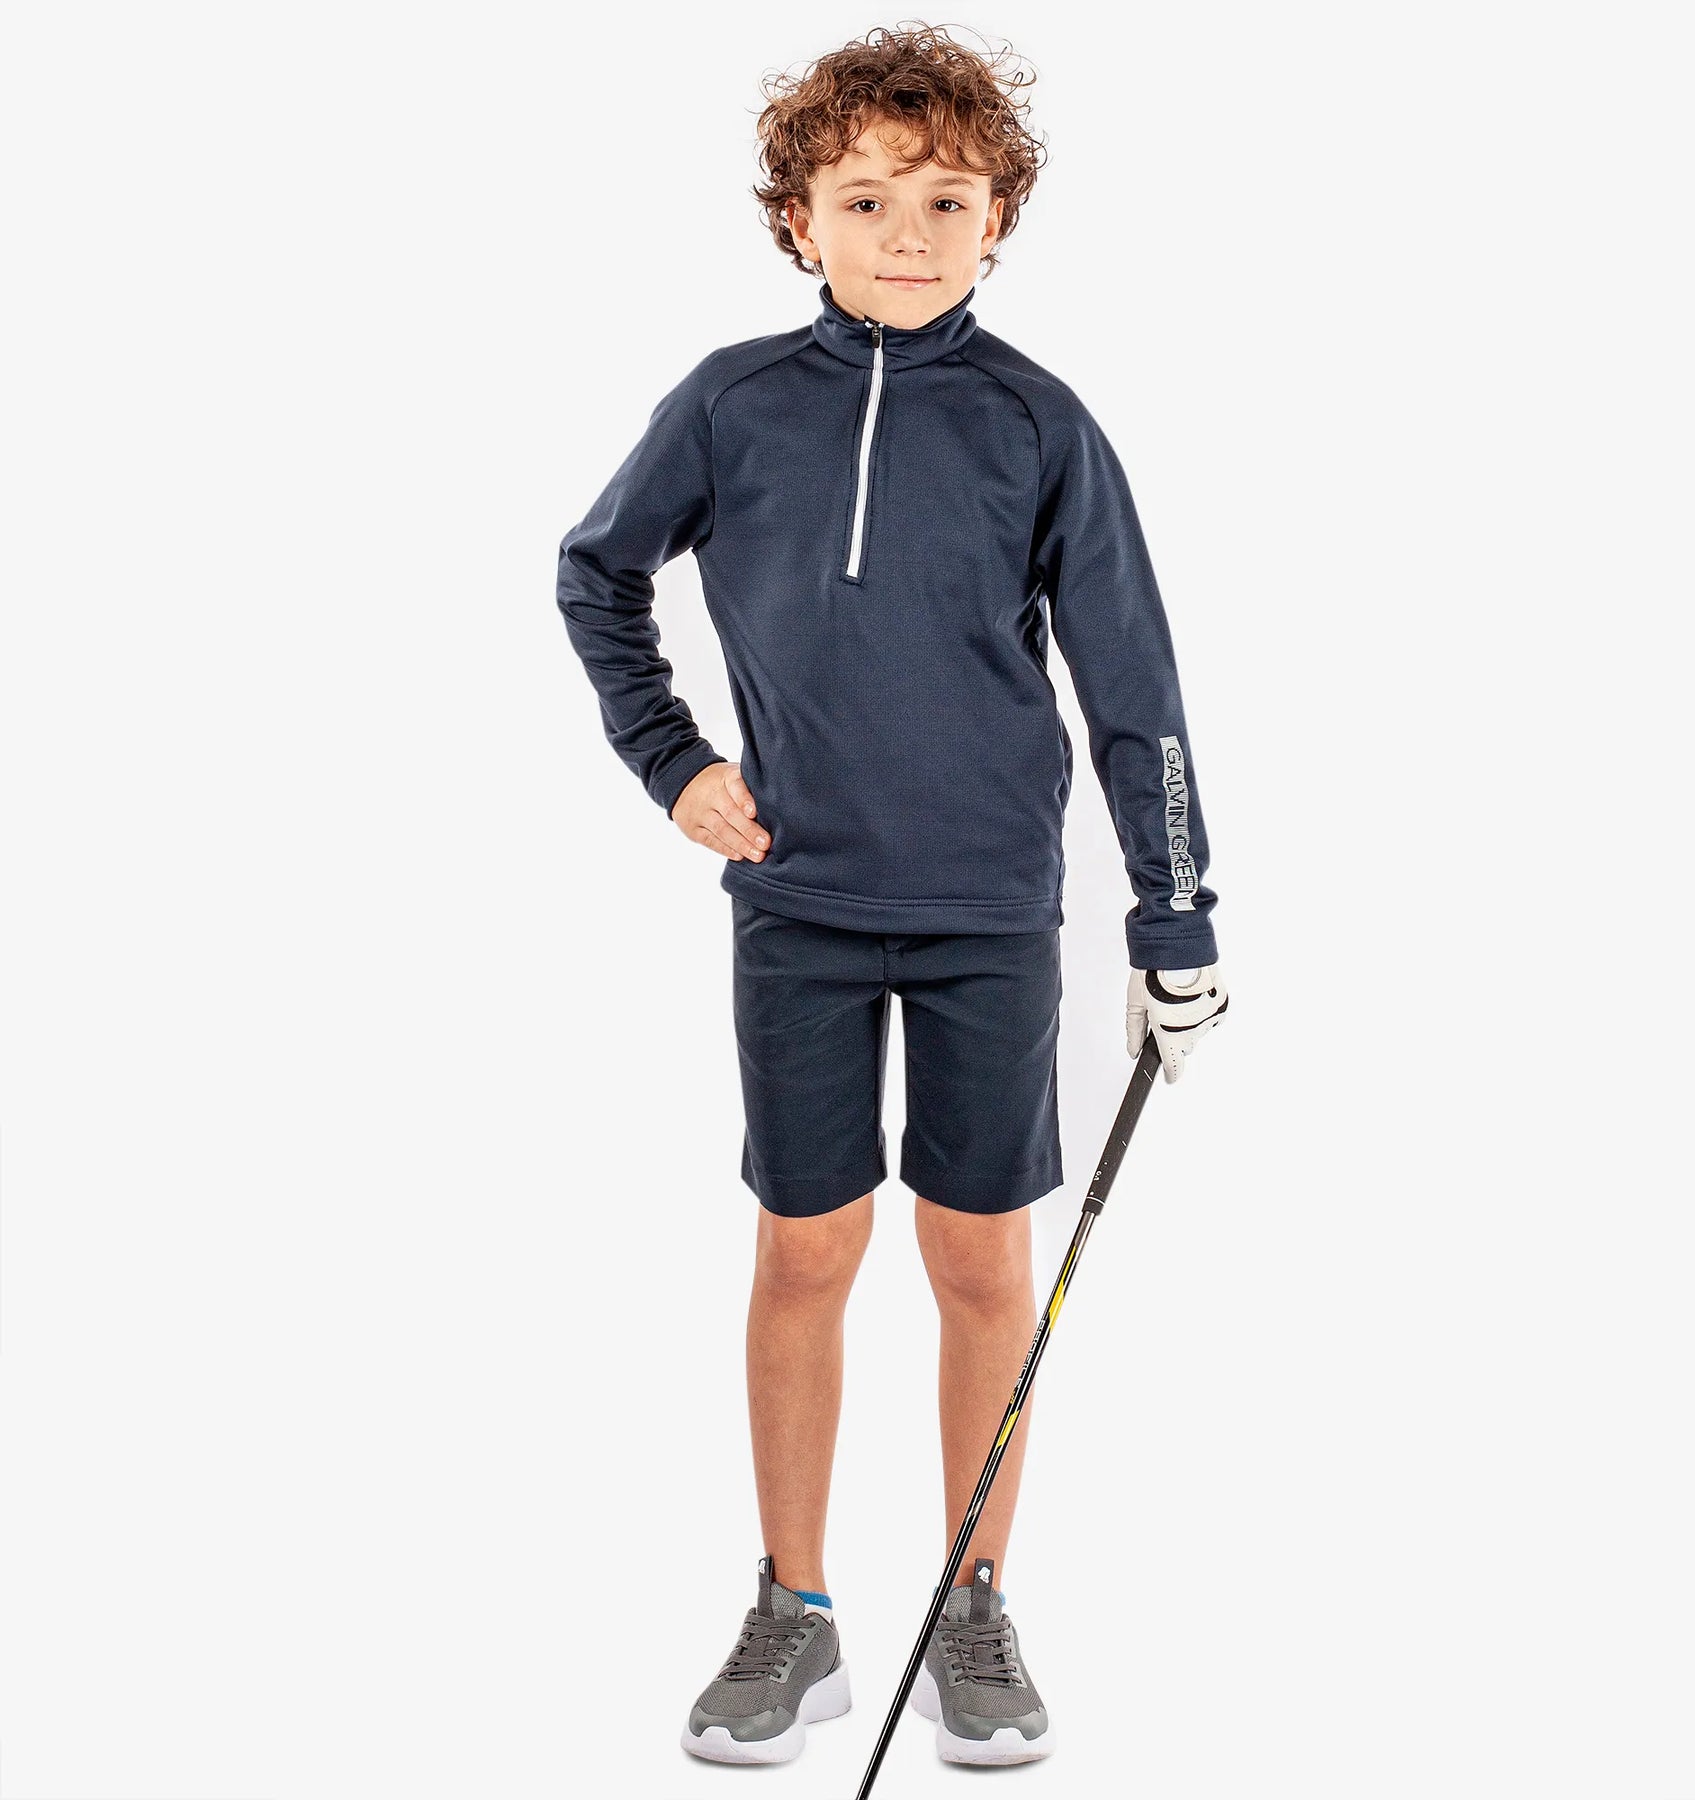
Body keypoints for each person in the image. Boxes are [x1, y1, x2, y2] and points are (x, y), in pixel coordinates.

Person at [555, 23, 1227, 1769]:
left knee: (979, 1255)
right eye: (866, 200)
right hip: (797, 904)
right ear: (800, 219)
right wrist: (673, 763)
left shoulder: (1040, 424)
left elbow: (1134, 686)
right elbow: (596, 575)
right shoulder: (730, 403)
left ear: (1001, 218)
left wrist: (1175, 918)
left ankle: (972, 1602)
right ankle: (797, 1609)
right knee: (807, 1246)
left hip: (992, 909)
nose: (908, 235)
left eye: (946, 200)